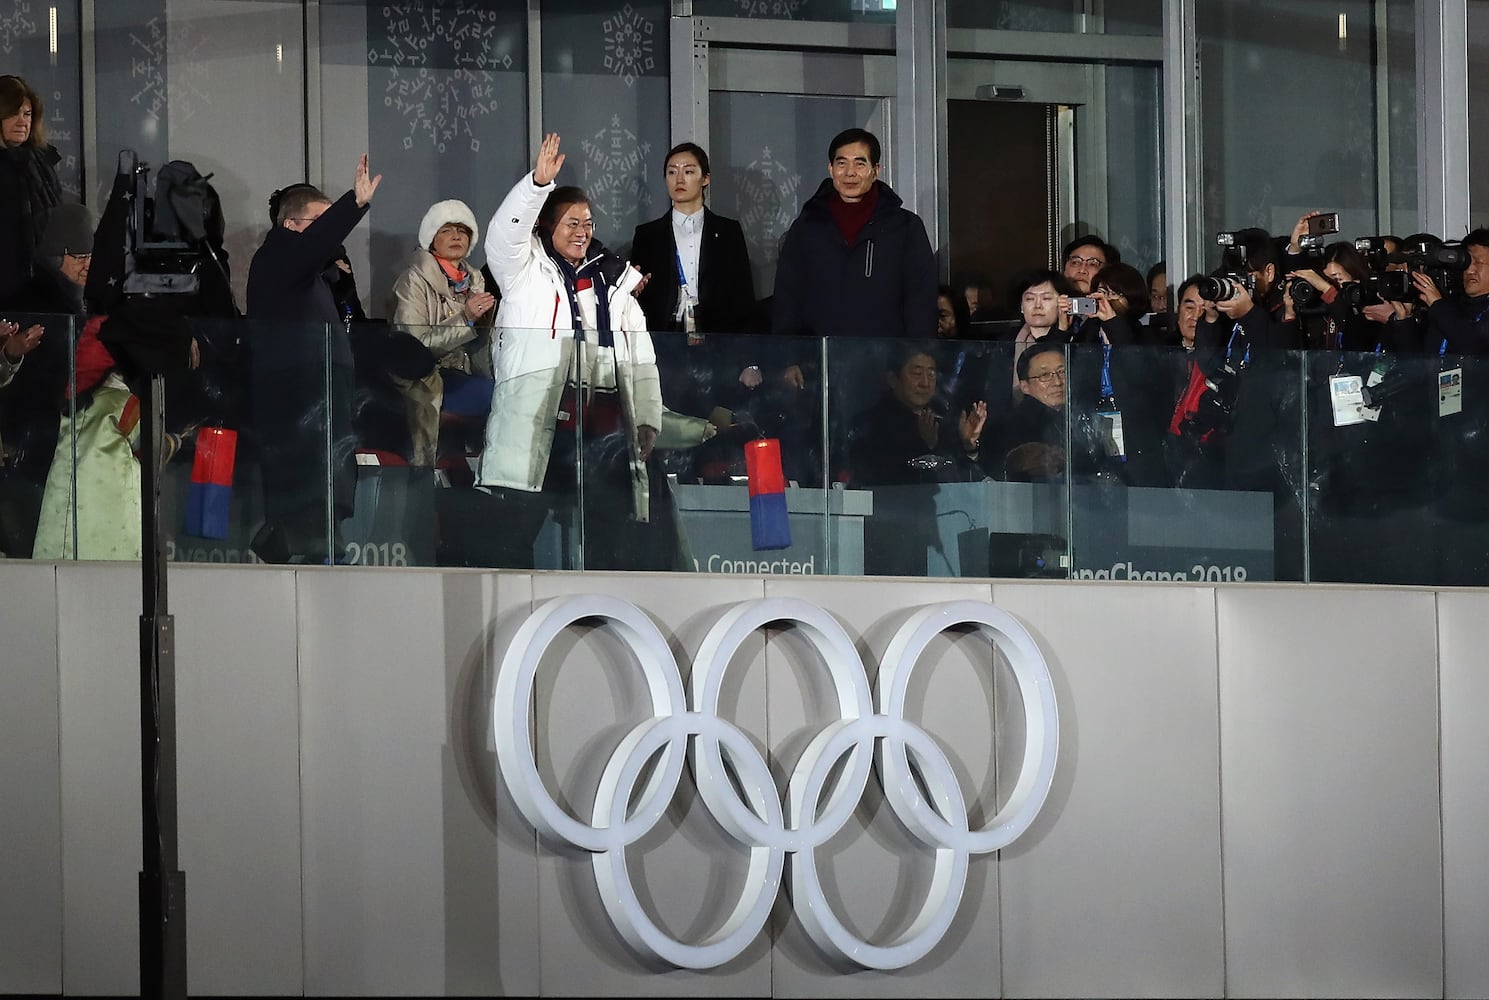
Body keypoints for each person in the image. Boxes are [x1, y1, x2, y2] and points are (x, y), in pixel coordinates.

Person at [479, 133, 670, 570]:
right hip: (539, 421)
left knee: (610, 536)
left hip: (601, 427)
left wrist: (646, 417)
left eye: (588, 224)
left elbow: (641, 355)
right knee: (514, 531)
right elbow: (501, 236)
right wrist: (536, 186)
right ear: (547, 226)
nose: (582, 233)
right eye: (571, 223)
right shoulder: (522, 270)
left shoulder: (615, 280)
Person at [245, 154, 382, 562]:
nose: (329, 237)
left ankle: (317, 543)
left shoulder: (320, 277)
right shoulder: (277, 256)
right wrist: (352, 205)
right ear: (291, 226)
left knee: (327, 484)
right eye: (318, 225)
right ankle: (297, 547)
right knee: (307, 492)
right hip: (297, 399)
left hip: (325, 395)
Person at [772, 127, 937, 345]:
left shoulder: (905, 227)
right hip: (820, 360)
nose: (850, 172)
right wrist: (789, 356)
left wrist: (919, 355)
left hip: (888, 363)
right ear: (830, 169)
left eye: (860, 163)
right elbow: (787, 296)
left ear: (875, 170)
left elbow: (921, 298)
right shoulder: (807, 226)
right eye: (842, 163)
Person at [386, 199, 497, 466]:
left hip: (466, 373)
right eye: (446, 230)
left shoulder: (476, 281)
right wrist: (466, 319)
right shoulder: (413, 280)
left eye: (462, 230)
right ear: (431, 238)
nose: (456, 236)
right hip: (426, 378)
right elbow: (411, 350)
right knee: (499, 396)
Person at [631, 142, 757, 335]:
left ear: (705, 178)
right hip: (663, 336)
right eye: (672, 172)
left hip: (717, 337)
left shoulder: (728, 232)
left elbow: (743, 296)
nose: (679, 180)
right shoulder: (648, 235)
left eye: (688, 172)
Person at [844, 344, 986, 487]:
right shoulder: (870, 425)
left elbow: (964, 485)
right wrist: (926, 447)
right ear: (892, 379)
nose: (925, 383)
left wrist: (969, 445)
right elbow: (881, 480)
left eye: (931, 374)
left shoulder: (943, 423)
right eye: (917, 374)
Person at [0, 75, 62, 305]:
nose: (22, 122)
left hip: (43, 283)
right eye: (13, 113)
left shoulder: (40, 162)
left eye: (27, 114)